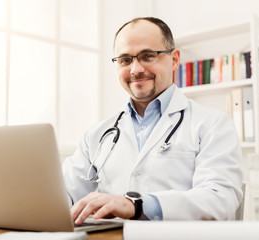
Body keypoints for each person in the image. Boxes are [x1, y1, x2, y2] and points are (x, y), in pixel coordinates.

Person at [62, 17, 243, 225]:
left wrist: (136, 205)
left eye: (148, 56)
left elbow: (220, 200)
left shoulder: (214, 124)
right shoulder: (96, 135)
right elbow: (63, 196)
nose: (136, 69)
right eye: (125, 60)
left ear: (174, 59)